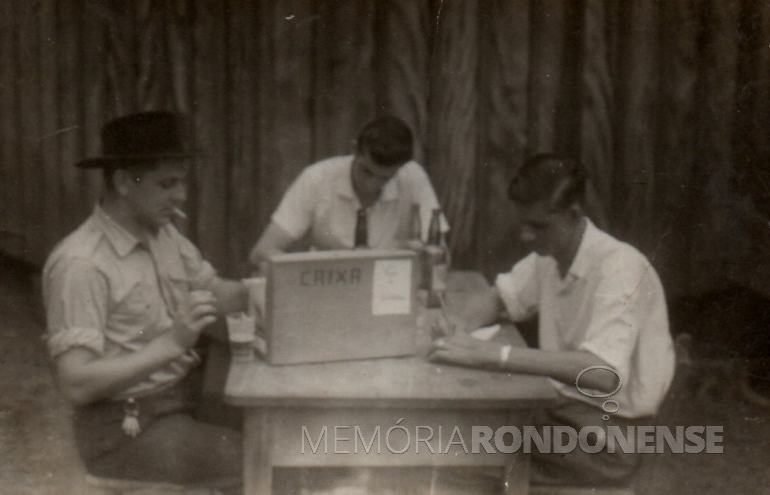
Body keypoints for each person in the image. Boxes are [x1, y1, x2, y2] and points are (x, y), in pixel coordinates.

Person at [428, 153, 676, 488]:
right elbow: (500, 296)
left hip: (610, 437)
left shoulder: (619, 267)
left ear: (574, 215)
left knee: (457, 458)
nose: (526, 236)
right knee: (452, 435)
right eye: (523, 223)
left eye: (538, 226)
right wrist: (458, 325)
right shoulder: (552, 253)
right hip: (562, 412)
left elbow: (604, 374)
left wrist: (495, 356)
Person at [42, 112, 246, 492]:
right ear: (123, 181)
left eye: (182, 183)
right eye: (167, 184)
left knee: (285, 426)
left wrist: (264, 289)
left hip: (180, 401)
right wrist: (171, 344)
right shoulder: (82, 264)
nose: (181, 197)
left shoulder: (162, 233)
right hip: (124, 429)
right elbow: (76, 384)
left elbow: (213, 291)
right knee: (262, 455)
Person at [248, 116, 448, 270]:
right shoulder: (317, 178)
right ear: (354, 150)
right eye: (367, 171)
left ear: (402, 167)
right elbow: (261, 253)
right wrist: (308, 273)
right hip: (329, 290)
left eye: (385, 178)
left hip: (391, 292)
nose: (372, 185)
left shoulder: (412, 177)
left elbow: (441, 255)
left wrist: (429, 258)